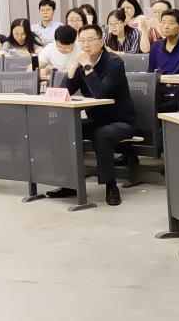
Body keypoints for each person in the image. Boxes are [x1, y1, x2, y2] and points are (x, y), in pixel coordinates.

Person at [48, 24, 134, 206]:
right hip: (96, 120)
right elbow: (63, 92)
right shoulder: (81, 64)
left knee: (101, 135)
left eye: (90, 40)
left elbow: (100, 93)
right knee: (60, 129)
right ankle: (69, 183)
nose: (86, 45)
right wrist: (73, 67)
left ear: (101, 42)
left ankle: (111, 186)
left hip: (121, 120)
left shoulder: (114, 63)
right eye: (82, 41)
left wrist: (87, 66)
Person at [147, 9, 179, 75]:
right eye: (163, 22)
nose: (165, 27)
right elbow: (151, 72)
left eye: (170, 23)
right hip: (160, 81)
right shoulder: (156, 45)